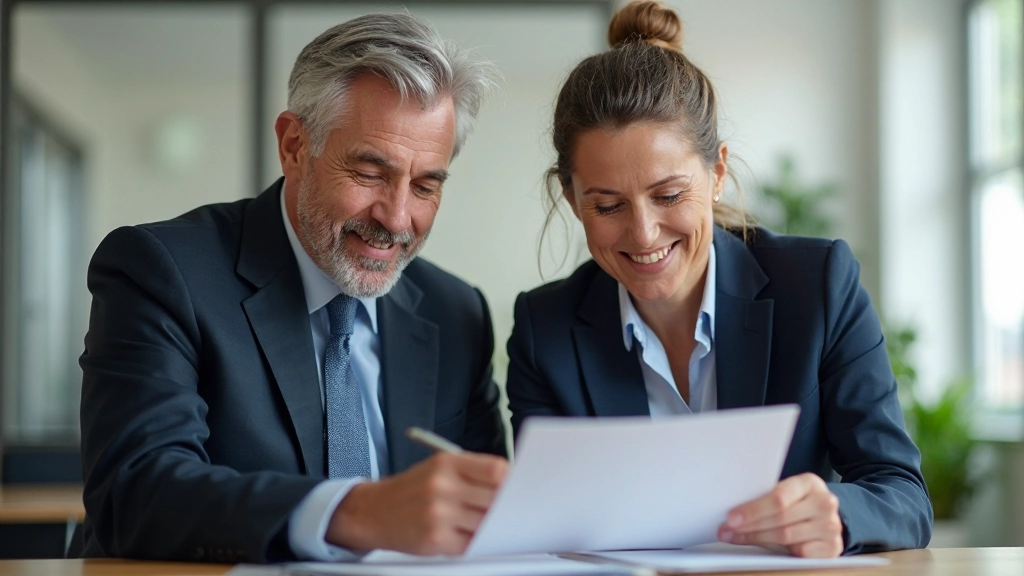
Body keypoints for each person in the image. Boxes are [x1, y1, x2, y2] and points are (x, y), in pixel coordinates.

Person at [506, 0, 932, 558]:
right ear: (572, 198)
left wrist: (837, 515)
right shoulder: (547, 330)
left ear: (717, 173)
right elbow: (547, 524)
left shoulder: (818, 285)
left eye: (669, 195)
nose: (643, 233)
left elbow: (902, 495)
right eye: (607, 206)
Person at [79, 13, 508, 563]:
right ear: (295, 145)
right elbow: (135, 493)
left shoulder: (456, 312)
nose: (397, 218)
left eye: (426, 185)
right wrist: (357, 511)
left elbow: (489, 517)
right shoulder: (161, 272)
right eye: (371, 174)